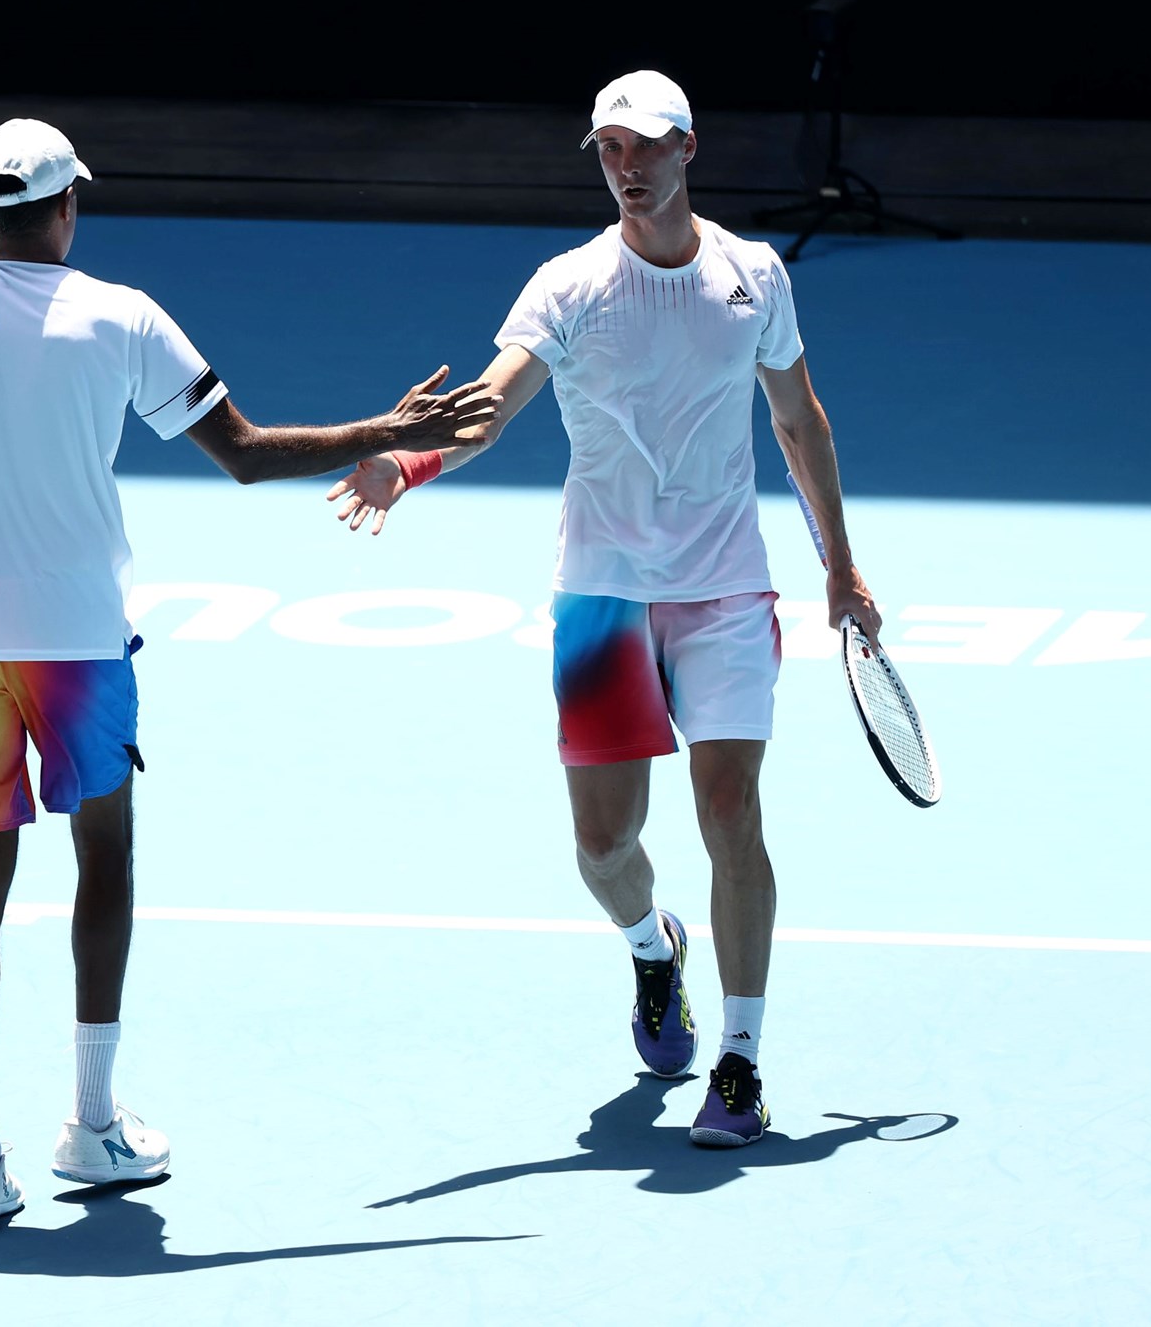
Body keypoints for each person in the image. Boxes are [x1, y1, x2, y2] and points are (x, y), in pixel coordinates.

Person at [0, 118, 499, 1231]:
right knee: (106, 855)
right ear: (67, 206)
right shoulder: (120, 314)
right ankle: (91, 1125)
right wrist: (385, 427)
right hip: (78, 639)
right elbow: (240, 454)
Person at [325, 70, 881, 1148]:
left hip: (722, 585)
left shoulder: (752, 275)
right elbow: (488, 409)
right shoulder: (567, 287)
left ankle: (740, 1060)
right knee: (601, 843)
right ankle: (648, 946)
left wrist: (839, 567)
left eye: (643, 148)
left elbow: (798, 421)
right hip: (602, 592)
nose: (625, 168)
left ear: (687, 151)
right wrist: (410, 461)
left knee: (730, 811)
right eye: (608, 151)